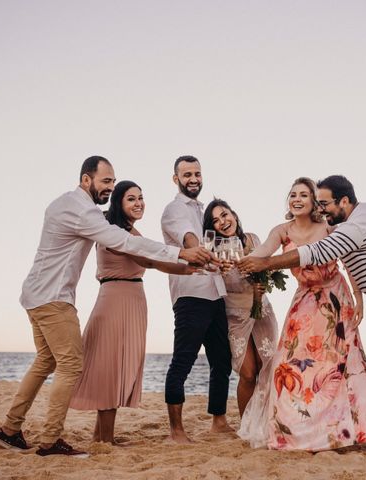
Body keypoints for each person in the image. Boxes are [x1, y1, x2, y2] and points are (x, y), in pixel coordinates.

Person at [0, 156, 212, 457]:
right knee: (70, 365)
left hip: (38, 294)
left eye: (112, 181)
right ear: (86, 180)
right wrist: (182, 253)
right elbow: (131, 246)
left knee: (46, 362)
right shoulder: (84, 213)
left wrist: (183, 263)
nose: (109, 187)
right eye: (105, 181)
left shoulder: (66, 204)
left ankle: (9, 430)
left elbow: (135, 248)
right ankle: (49, 441)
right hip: (54, 298)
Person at [238, 175, 366, 453]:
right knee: (291, 364)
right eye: (296, 195)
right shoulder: (365, 212)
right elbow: (267, 249)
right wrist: (248, 259)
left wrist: (263, 264)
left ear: (344, 201)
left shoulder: (344, 229)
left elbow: (318, 253)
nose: (320, 206)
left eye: (322, 201)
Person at [70, 181, 197, 444]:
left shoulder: (131, 231)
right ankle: (105, 440)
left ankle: (100, 436)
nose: (138, 203)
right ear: (119, 203)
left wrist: (190, 267)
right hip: (116, 300)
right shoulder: (113, 232)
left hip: (132, 299)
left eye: (141, 197)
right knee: (109, 366)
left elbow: (149, 258)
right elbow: (148, 260)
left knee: (116, 365)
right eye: (131, 199)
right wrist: (188, 265)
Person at [161, 155, 234, 443]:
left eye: (197, 174)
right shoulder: (173, 210)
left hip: (216, 292)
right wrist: (206, 253)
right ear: (175, 178)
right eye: (187, 174)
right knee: (183, 361)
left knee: (222, 361)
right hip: (191, 294)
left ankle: (218, 422)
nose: (193, 179)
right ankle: (176, 431)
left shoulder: (205, 209)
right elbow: (190, 239)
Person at [202, 199, 279, 416]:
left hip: (262, 310)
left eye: (225, 215)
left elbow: (267, 270)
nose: (223, 222)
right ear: (212, 227)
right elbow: (210, 281)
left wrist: (262, 286)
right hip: (235, 316)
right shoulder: (213, 253)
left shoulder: (253, 239)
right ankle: (246, 424)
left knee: (269, 368)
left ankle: (268, 420)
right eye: (216, 221)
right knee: (248, 373)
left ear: (234, 215)